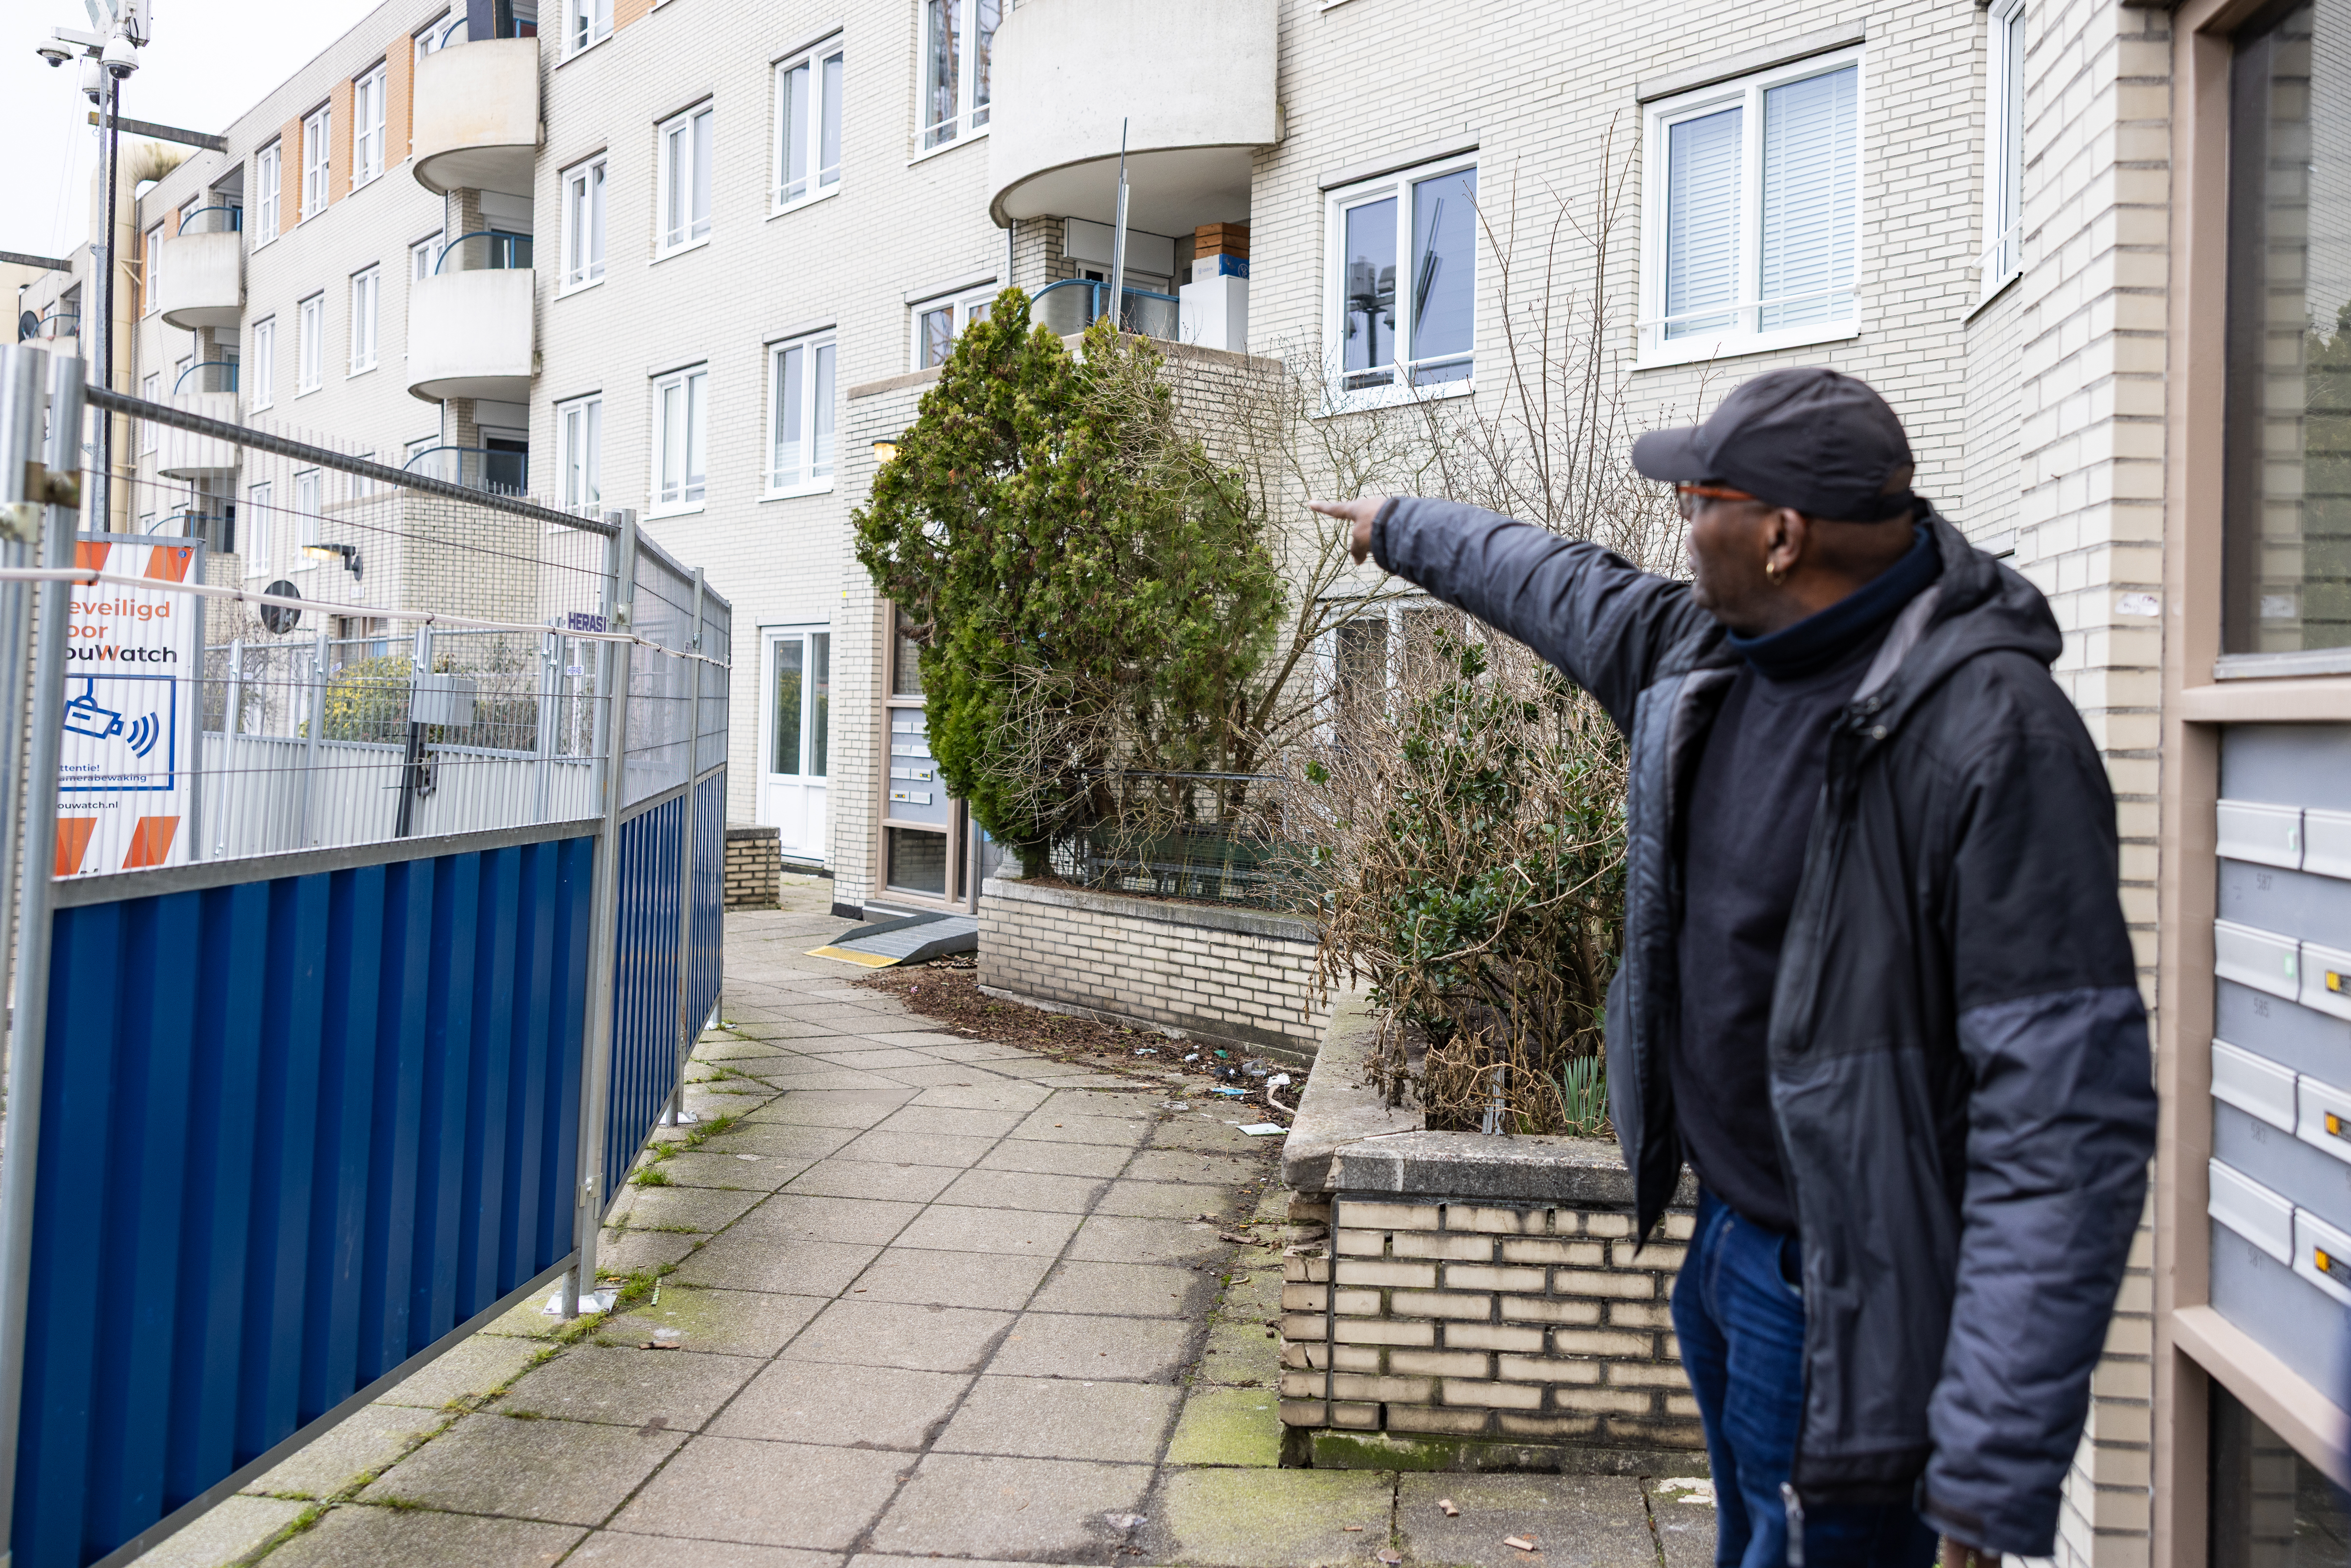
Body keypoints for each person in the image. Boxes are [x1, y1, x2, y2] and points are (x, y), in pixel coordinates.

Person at [1311, 368, 2157, 1568]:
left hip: (1846, 1296)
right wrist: (1400, 526)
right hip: (1727, 1245)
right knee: (1752, 1534)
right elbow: (1553, 578)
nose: (1678, 519)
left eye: (1696, 496)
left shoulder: (1992, 737)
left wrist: (1987, 1469)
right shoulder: (1704, 655)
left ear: (1779, 534)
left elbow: (2067, 1121)